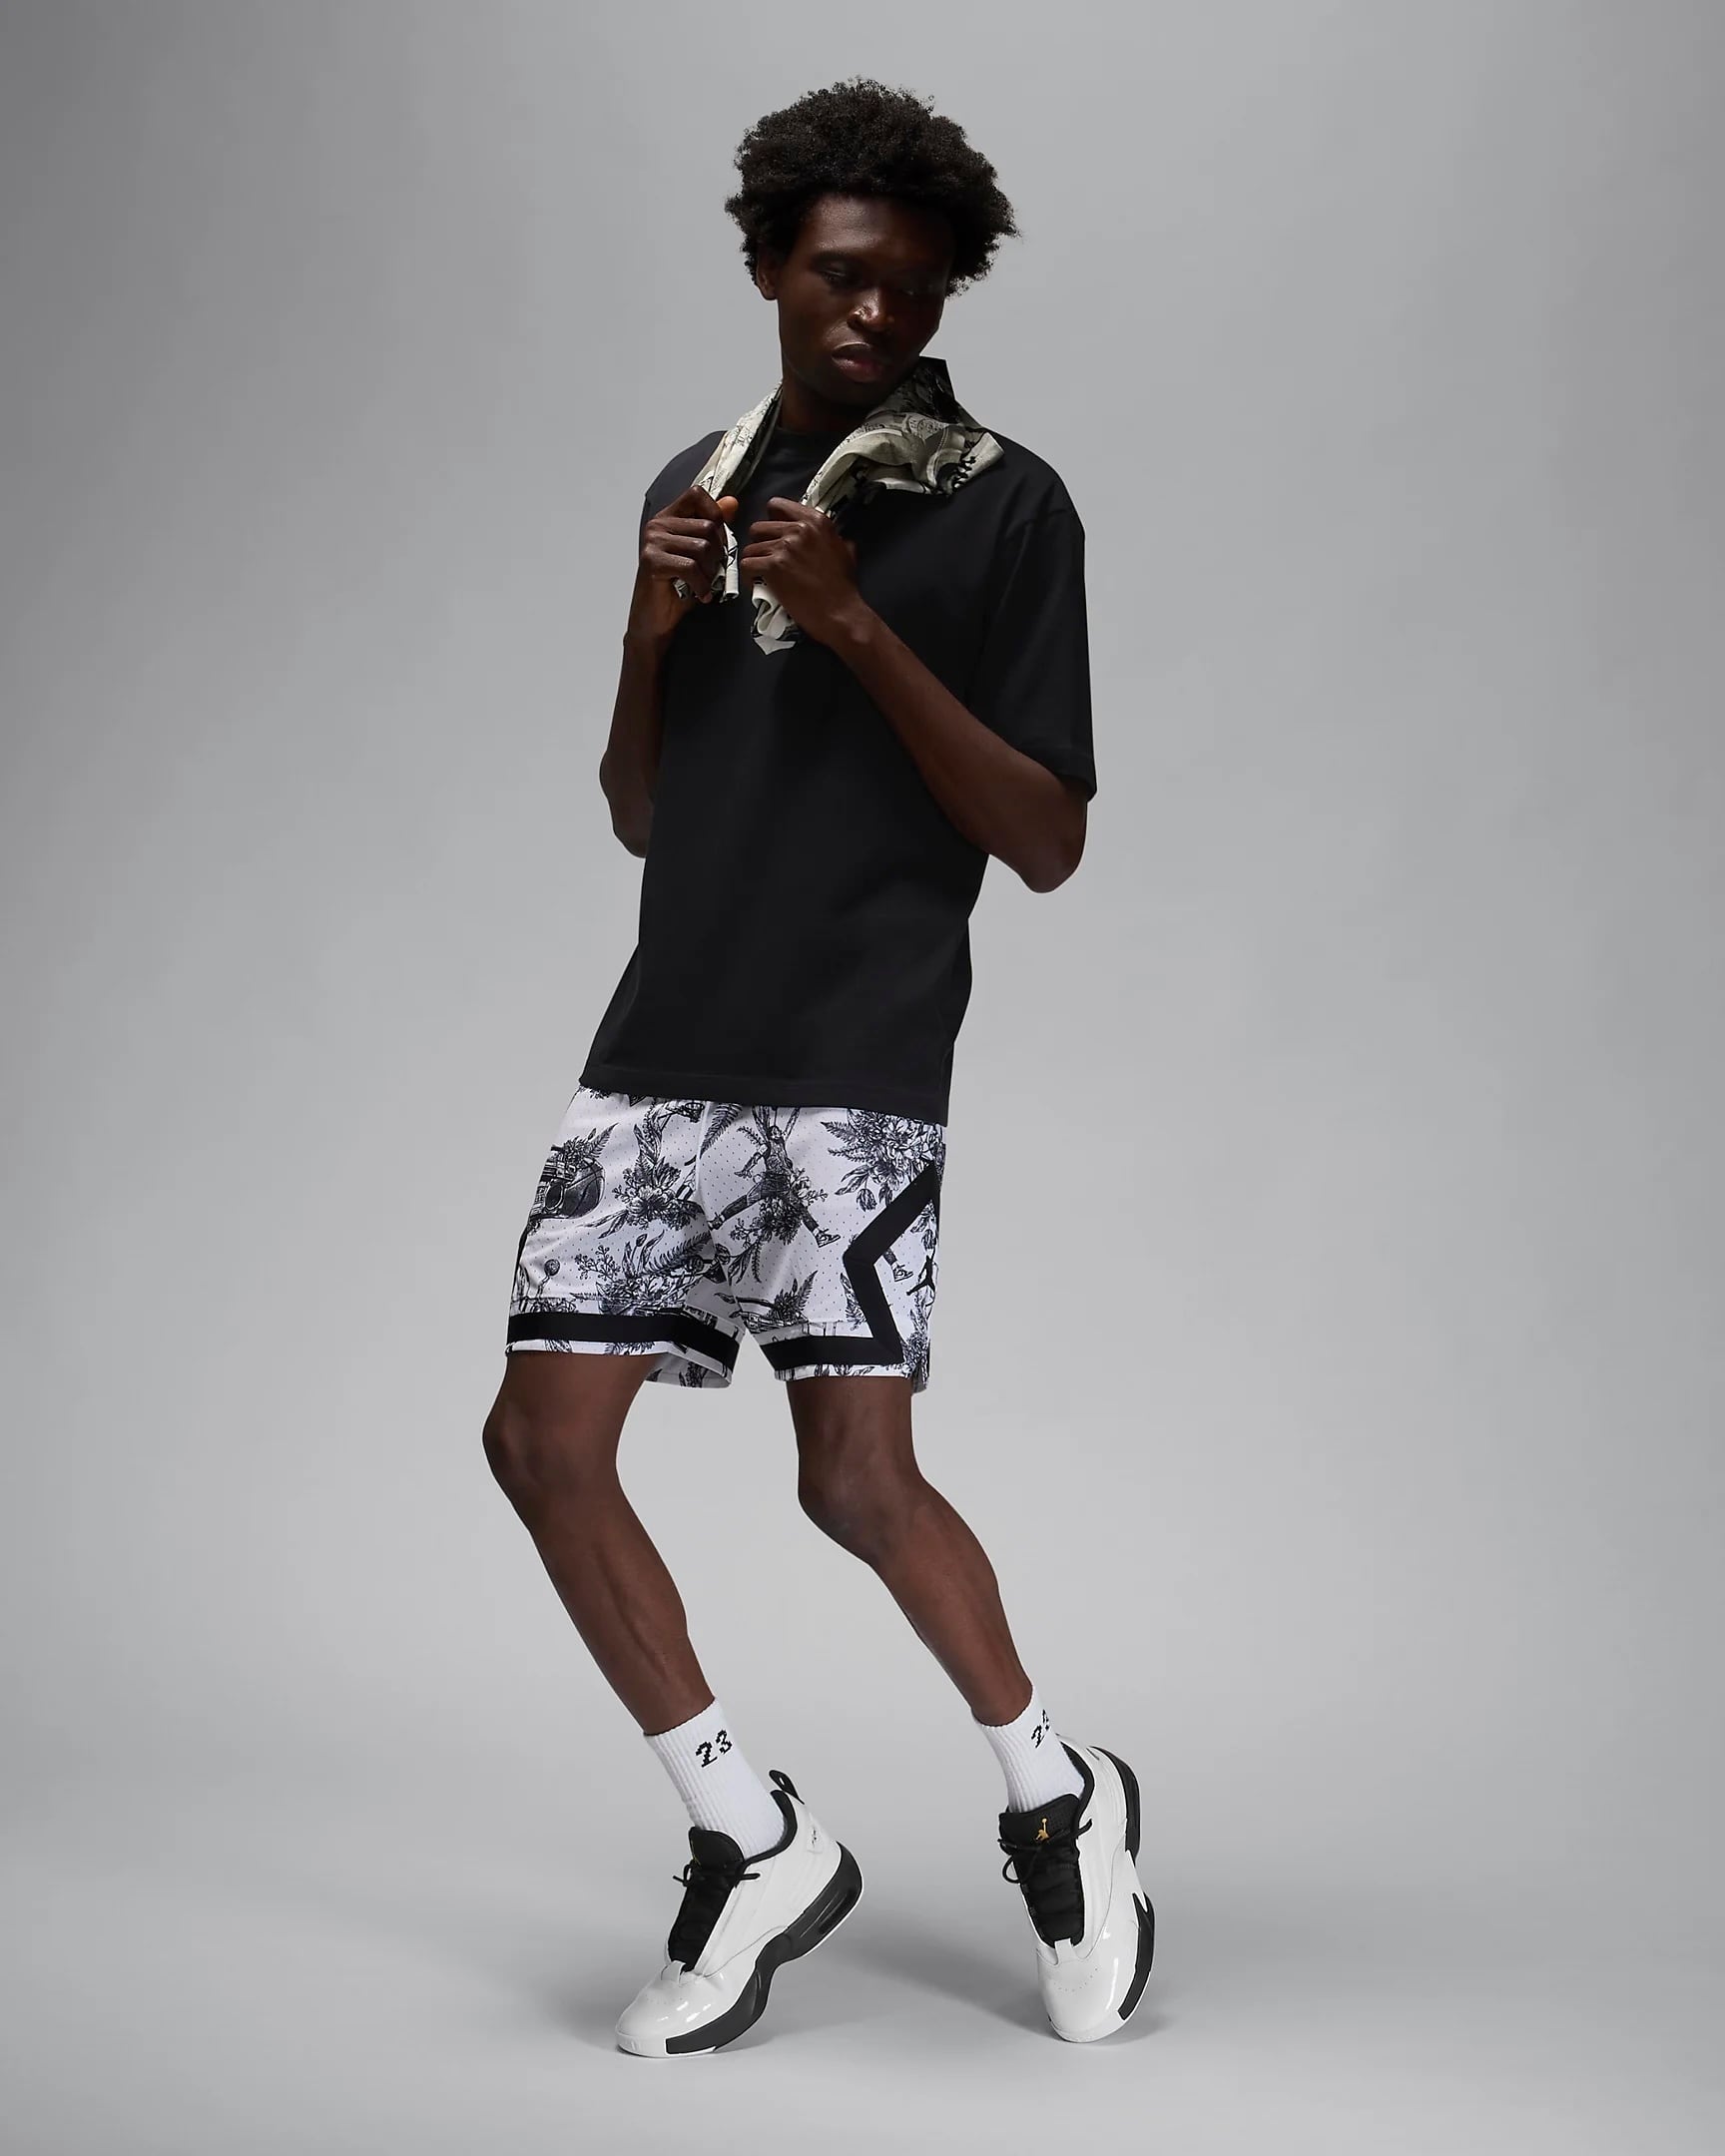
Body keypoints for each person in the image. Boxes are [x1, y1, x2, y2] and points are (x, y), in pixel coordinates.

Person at [481, 77, 1153, 2055]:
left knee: (853, 1482)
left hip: (857, 1056)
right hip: (665, 1045)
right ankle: (748, 1831)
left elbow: (1046, 837)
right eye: (843, 275)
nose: (876, 313)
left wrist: (853, 624)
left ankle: (1056, 1787)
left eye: (914, 288)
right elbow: (641, 813)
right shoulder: (692, 484)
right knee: (538, 1445)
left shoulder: (1007, 502)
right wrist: (649, 620)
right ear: (770, 264)